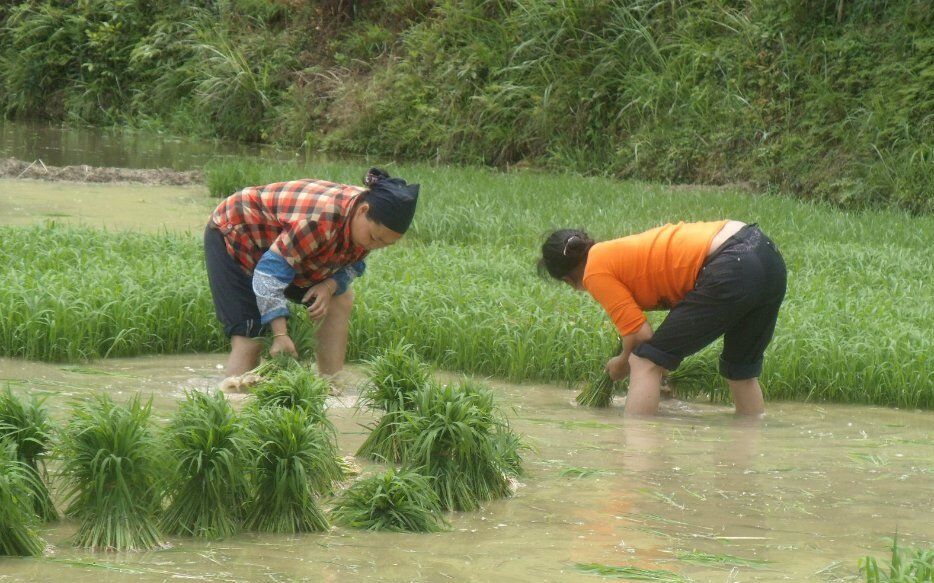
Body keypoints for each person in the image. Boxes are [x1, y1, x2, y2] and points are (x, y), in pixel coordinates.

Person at [539, 221, 786, 416]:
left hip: (731, 263)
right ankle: (751, 447)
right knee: (740, 370)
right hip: (765, 253)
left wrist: (622, 362)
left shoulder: (594, 270)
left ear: (568, 281)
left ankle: (638, 459)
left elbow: (641, 335)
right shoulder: (614, 252)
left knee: (644, 362)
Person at [204, 167, 419, 382]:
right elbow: (268, 275)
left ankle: (331, 385)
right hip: (239, 234)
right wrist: (280, 335)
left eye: (385, 244)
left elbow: (353, 265)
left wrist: (328, 286)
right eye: (374, 238)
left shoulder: (369, 222)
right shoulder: (320, 220)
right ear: (362, 211)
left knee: (339, 298)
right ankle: (233, 402)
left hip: (290, 247)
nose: (375, 245)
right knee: (251, 333)